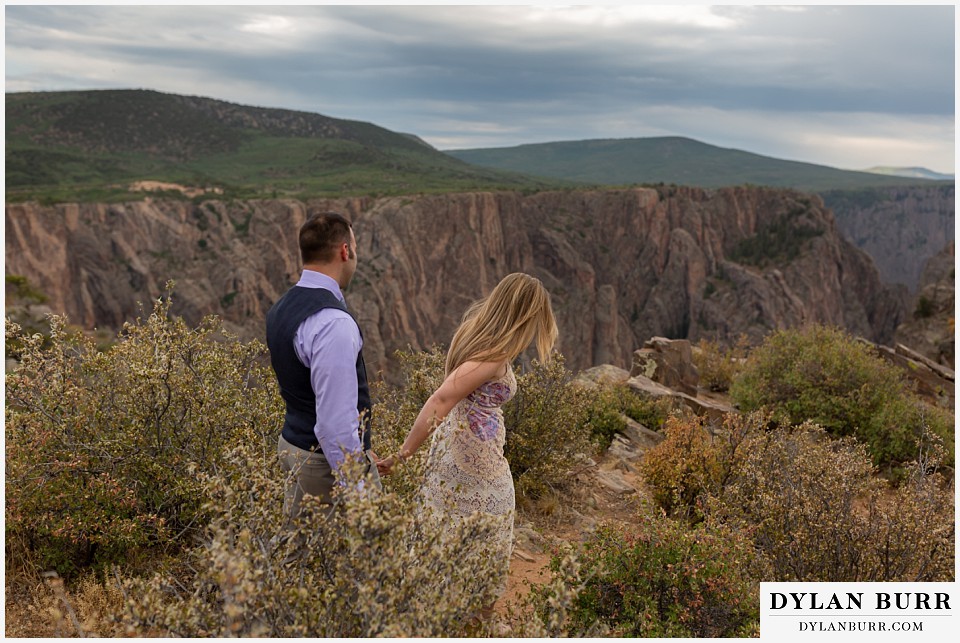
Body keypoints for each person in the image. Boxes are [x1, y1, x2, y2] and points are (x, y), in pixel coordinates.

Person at [377, 272, 558, 615]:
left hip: (455, 450)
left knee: (448, 527)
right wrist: (402, 455)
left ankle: (441, 611)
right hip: (473, 459)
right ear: (522, 314)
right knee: (486, 535)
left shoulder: (473, 333)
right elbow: (442, 398)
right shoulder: (493, 354)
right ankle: (472, 618)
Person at [266, 211, 380, 521]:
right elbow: (334, 422)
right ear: (346, 251)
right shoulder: (334, 324)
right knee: (370, 557)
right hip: (324, 464)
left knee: (301, 554)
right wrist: (359, 487)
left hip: (293, 446)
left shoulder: (282, 306)